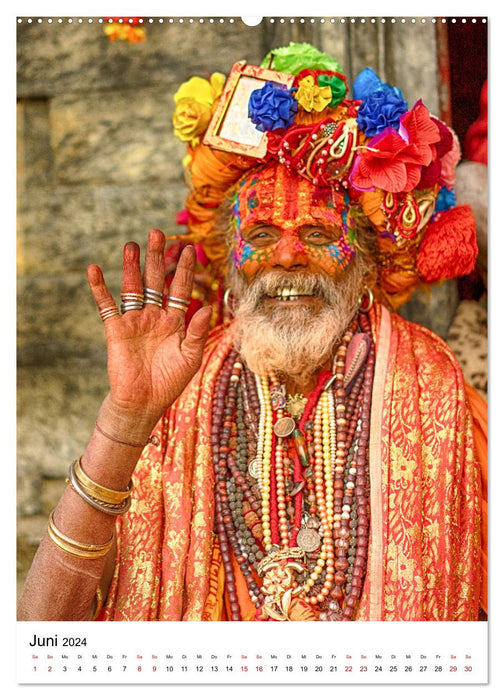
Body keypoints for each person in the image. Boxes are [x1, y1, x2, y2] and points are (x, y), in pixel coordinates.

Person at [17, 43, 486, 622]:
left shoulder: (430, 381)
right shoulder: (183, 390)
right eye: (261, 234)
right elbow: (42, 637)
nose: (287, 256)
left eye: (316, 234)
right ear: (231, 259)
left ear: (365, 260)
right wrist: (127, 418)